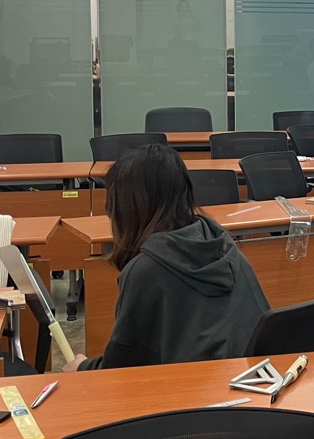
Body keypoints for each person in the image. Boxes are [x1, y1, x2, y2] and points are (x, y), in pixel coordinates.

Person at [66, 144, 269, 371]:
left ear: (126, 206)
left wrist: (82, 368)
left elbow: (123, 369)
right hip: (252, 380)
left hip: (192, 388)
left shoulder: (144, 271)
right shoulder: (225, 245)